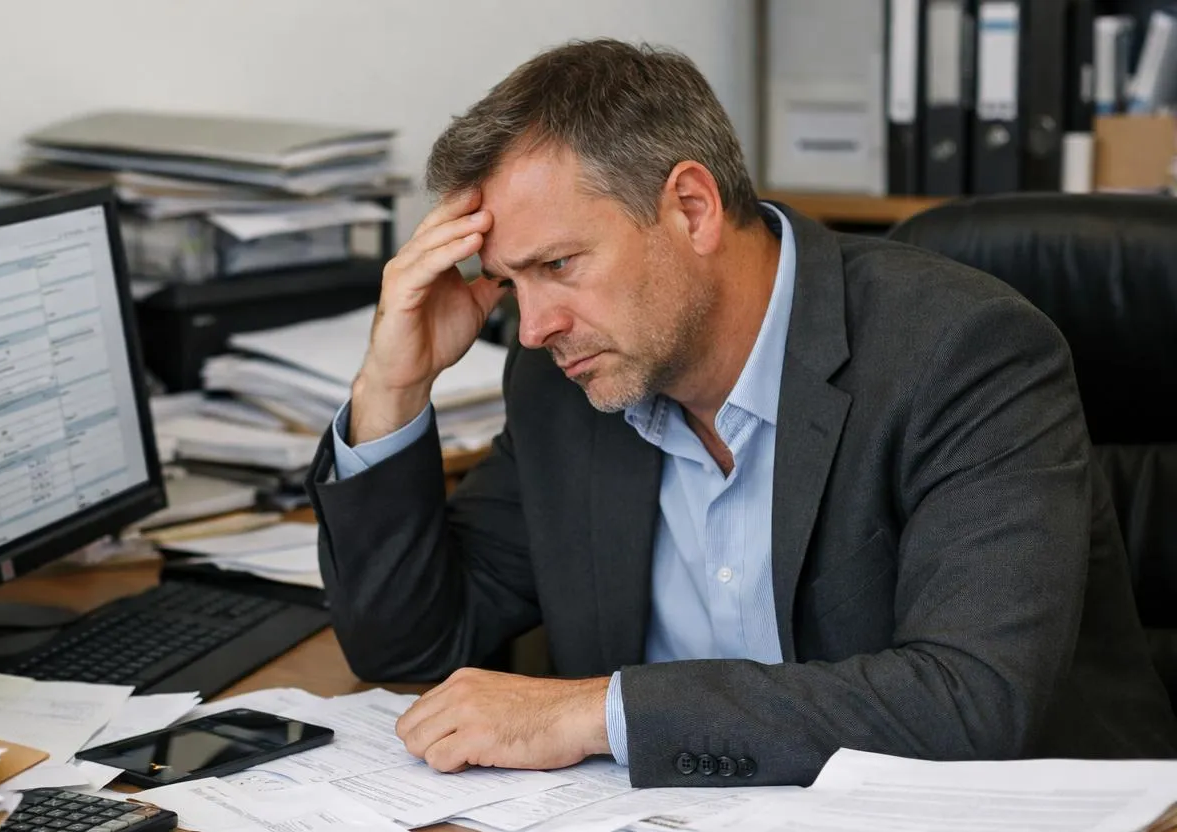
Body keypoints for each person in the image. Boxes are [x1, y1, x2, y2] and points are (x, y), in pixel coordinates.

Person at [303, 39, 1177, 786]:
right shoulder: (565, 382)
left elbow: (973, 702)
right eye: (510, 284)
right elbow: (415, 650)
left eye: (560, 265)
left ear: (691, 207)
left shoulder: (963, 351)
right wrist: (392, 388)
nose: (533, 328)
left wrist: (598, 714)